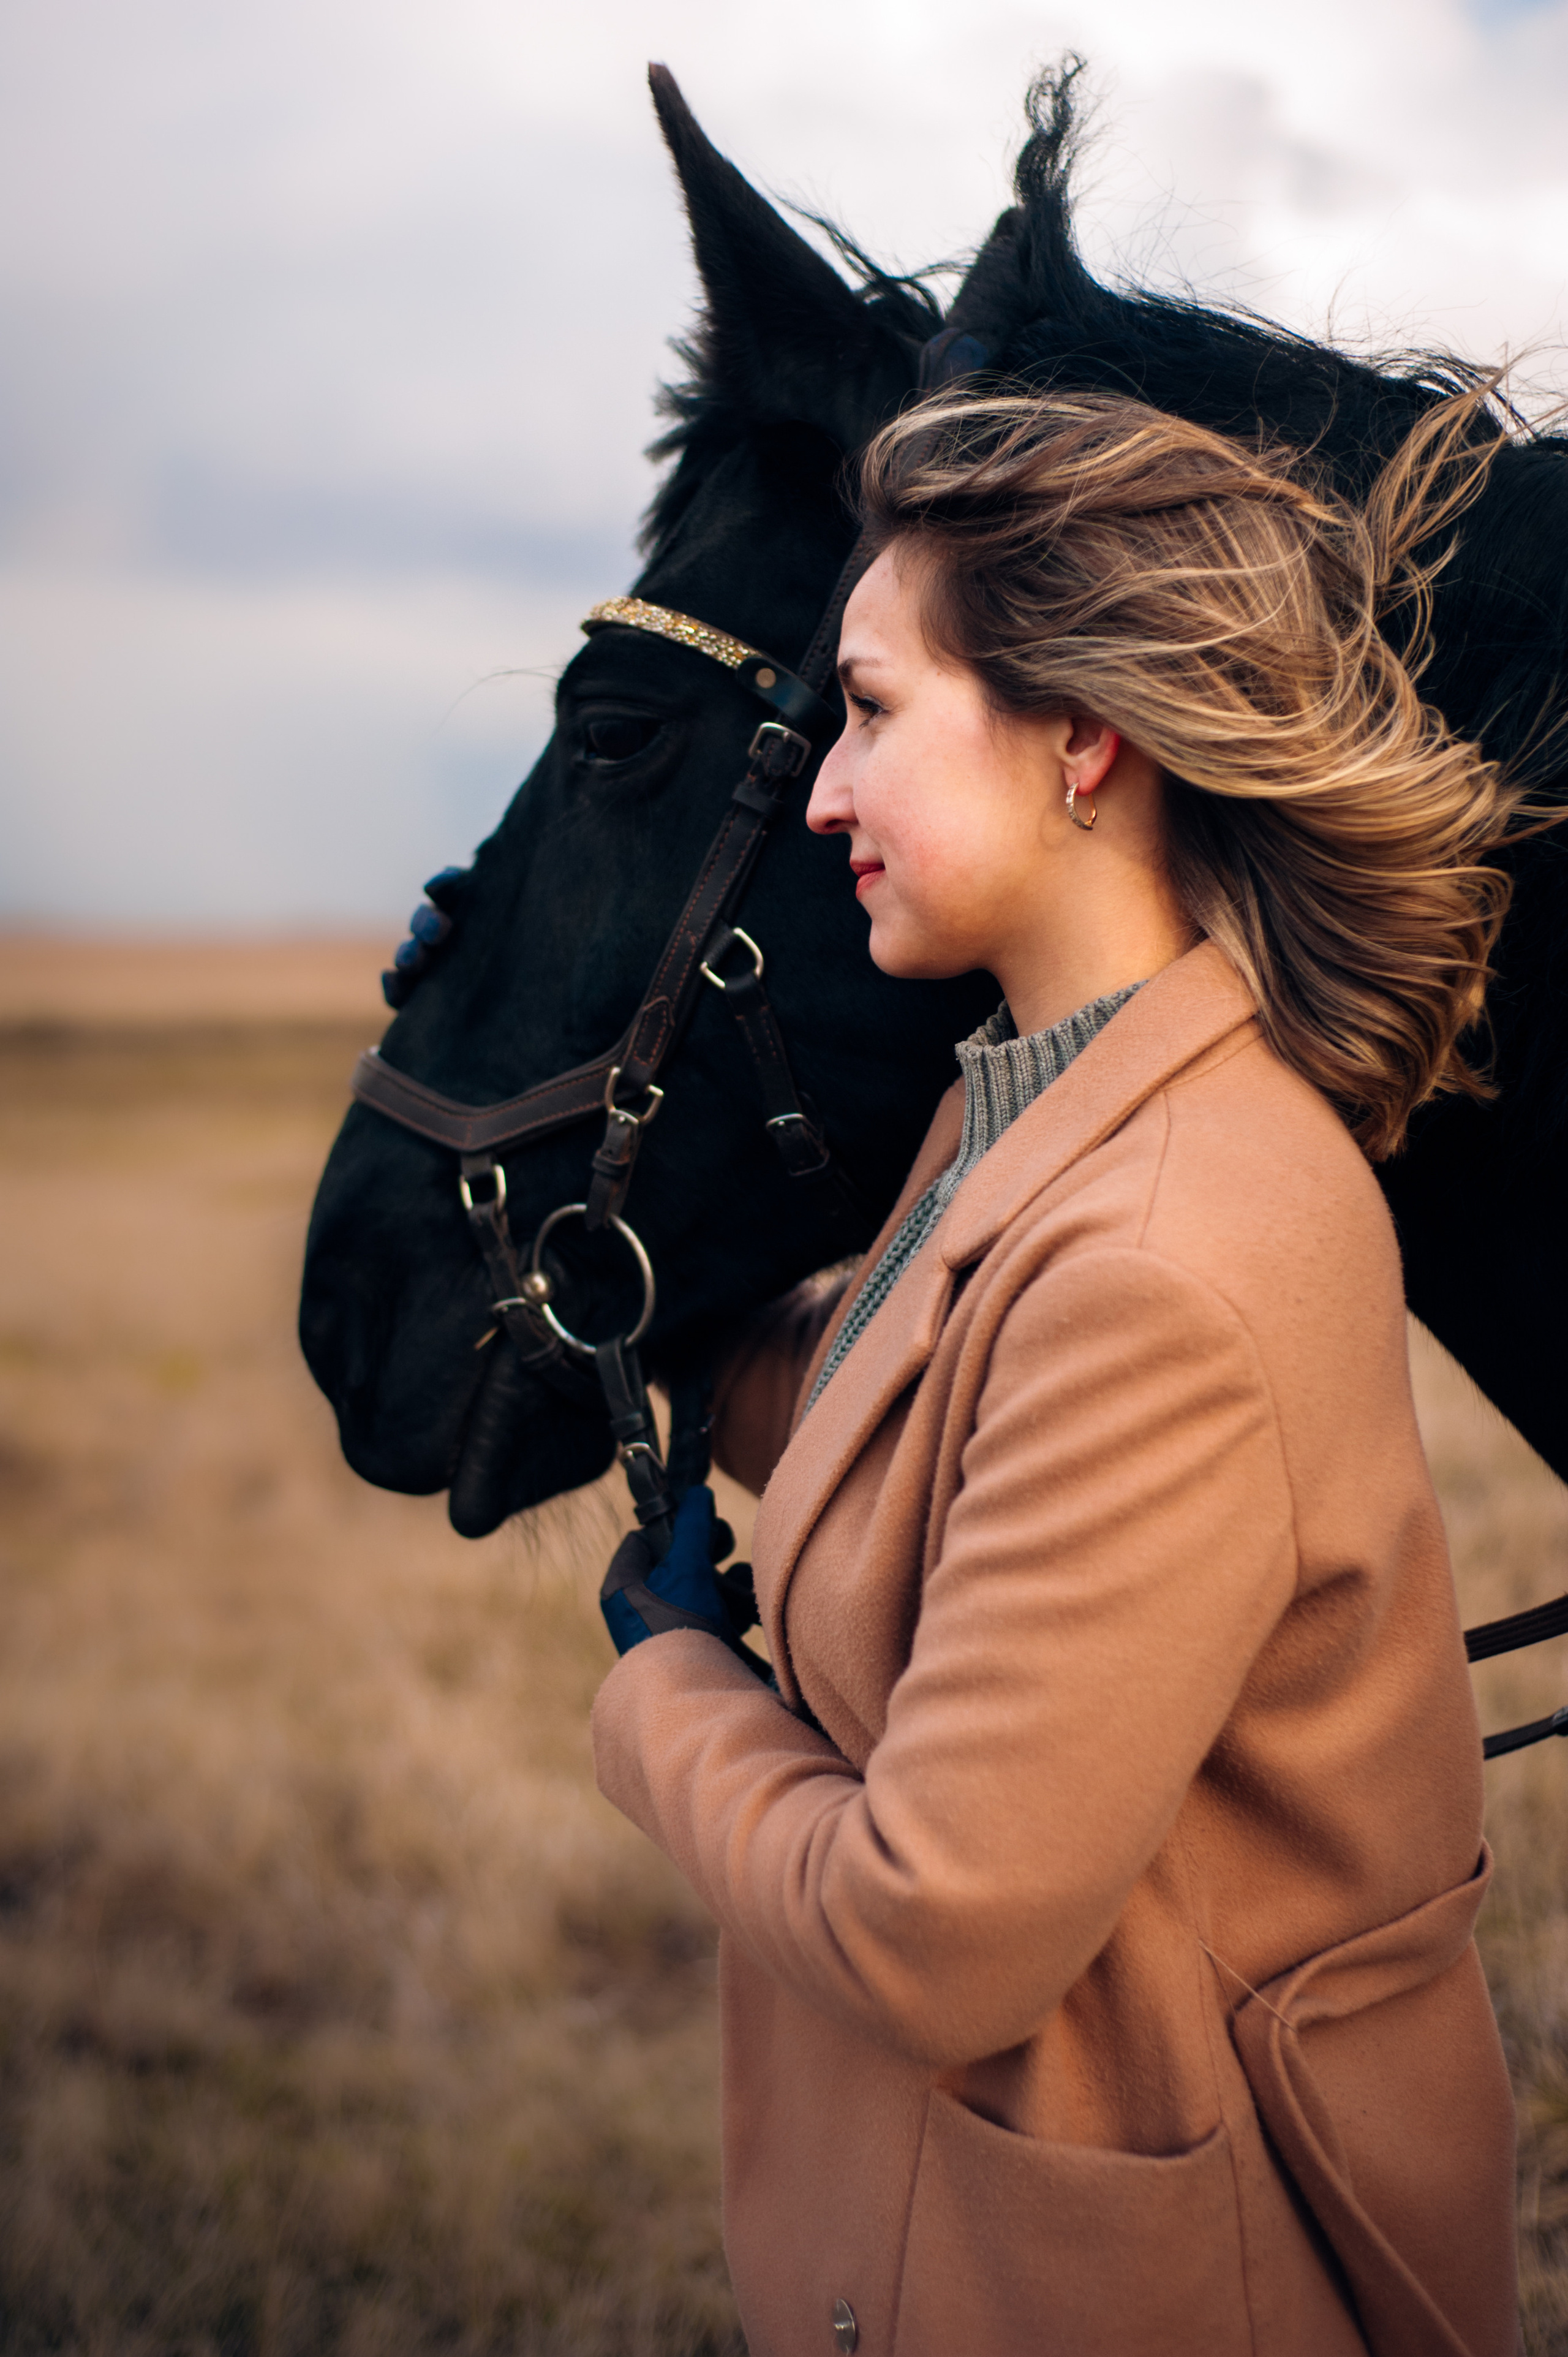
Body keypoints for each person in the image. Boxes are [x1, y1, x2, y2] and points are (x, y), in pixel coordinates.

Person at [591, 385, 1522, 2357]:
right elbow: (919, 1412)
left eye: (868, 709)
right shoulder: (1041, 1095)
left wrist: (664, 1690)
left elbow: (933, 1933)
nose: (823, 794)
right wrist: (641, 1286)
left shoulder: (1165, 1254)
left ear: (1082, 741)